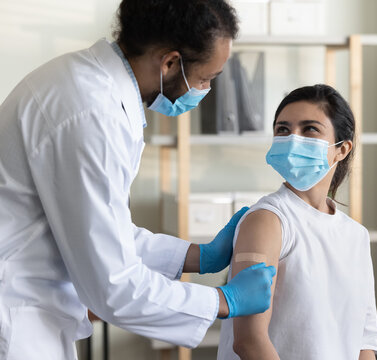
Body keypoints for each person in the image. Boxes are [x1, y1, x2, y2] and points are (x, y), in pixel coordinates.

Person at [0, 1, 276, 358]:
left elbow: (100, 230)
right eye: (205, 78)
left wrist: (199, 256)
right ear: (170, 62)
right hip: (15, 318)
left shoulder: (90, 87)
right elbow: (112, 284)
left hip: (31, 312)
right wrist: (222, 300)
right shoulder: (91, 113)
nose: (204, 90)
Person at [216, 84, 377, 360]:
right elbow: (248, 341)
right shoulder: (267, 221)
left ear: (341, 149)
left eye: (309, 129)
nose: (293, 139)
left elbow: (364, 339)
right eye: (283, 129)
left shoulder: (356, 236)